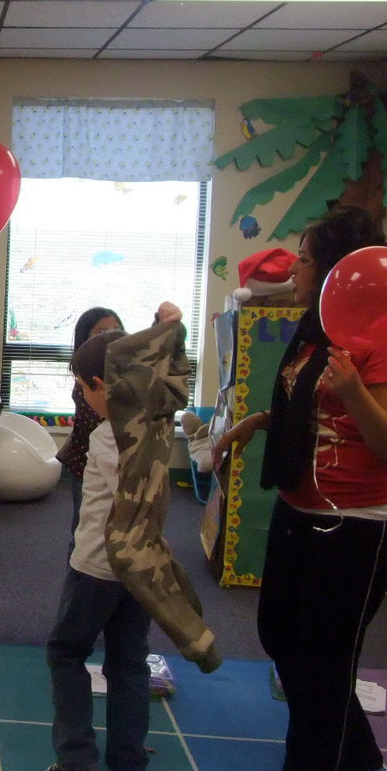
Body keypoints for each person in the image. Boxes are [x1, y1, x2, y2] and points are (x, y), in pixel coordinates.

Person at [212, 205, 387, 771]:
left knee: (323, 669)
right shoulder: (317, 327)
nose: (294, 269)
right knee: (281, 637)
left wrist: (354, 390)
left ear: (336, 269)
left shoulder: (377, 334)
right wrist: (260, 420)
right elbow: (314, 404)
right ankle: (360, 760)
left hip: (355, 523)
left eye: (305, 260)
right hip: (300, 507)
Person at [46, 302, 181, 771]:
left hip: (97, 567)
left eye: (85, 389)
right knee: (128, 662)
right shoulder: (157, 423)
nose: (84, 398)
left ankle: (76, 759)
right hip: (141, 566)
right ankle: (128, 759)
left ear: (101, 386)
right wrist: (167, 331)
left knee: (66, 653)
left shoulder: (107, 436)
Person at [56, 308, 124, 537]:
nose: (110, 336)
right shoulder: (85, 379)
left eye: (116, 330)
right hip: (84, 463)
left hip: (108, 463)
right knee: (84, 525)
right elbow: (95, 420)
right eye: (101, 332)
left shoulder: (123, 375)